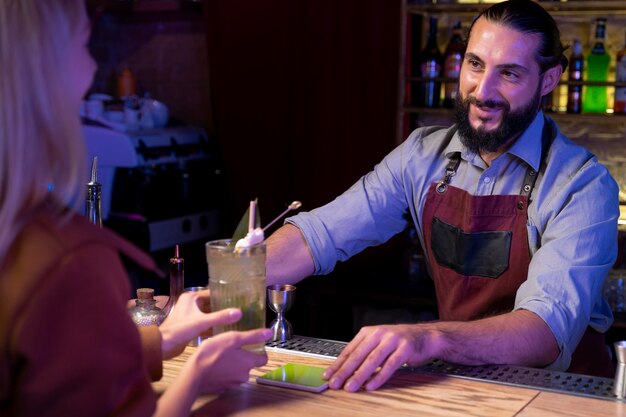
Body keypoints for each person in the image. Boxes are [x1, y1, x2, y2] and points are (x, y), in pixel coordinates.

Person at [266, 0, 619, 392]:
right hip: (464, 381)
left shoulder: (582, 185)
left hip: (560, 394)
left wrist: (428, 338)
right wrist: (234, 278)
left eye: (510, 73)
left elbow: (544, 331)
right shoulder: (421, 155)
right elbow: (321, 235)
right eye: (475, 64)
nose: (481, 91)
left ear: (549, 80)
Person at [0, 1, 270, 416]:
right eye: (85, 44)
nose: (92, 68)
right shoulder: (68, 260)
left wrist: (158, 341)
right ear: (46, 70)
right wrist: (198, 371)